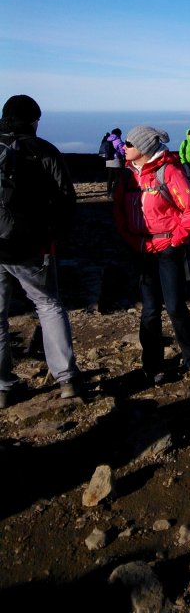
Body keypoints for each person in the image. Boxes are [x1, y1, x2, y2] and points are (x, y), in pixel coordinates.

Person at [0, 94, 82, 407]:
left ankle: (3, 387)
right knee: (48, 305)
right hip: (31, 246)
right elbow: (66, 199)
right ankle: (66, 378)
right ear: (33, 120)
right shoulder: (44, 150)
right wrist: (53, 235)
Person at [113, 125, 190, 385]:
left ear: (143, 148)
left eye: (129, 144)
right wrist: (132, 240)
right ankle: (152, 364)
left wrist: (174, 240)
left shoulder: (169, 172)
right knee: (150, 310)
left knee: (175, 305)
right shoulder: (126, 176)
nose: (124, 147)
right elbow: (119, 211)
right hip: (141, 250)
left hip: (168, 250)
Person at [103, 127, 126, 199]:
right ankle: (113, 192)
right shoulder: (118, 140)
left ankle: (108, 193)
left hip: (108, 160)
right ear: (119, 133)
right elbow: (122, 152)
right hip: (116, 160)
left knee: (110, 177)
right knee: (117, 177)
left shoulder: (107, 139)